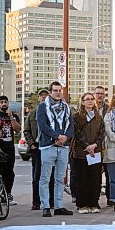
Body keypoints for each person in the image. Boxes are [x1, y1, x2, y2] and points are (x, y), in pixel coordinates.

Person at [36, 81, 74, 217]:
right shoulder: (42, 107)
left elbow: (71, 126)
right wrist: (56, 136)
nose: (58, 93)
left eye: (60, 90)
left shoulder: (67, 108)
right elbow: (42, 125)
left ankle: (59, 206)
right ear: (50, 92)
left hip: (63, 147)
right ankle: (46, 206)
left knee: (60, 178)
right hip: (48, 146)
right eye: (55, 90)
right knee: (45, 178)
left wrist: (65, 138)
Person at [72, 92, 105, 214]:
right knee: (82, 179)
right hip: (82, 152)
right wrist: (87, 146)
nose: (90, 101)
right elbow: (77, 133)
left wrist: (95, 145)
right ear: (82, 102)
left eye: (92, 99)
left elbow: (102, 133)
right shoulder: (76, 117)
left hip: (95, 152)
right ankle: (82, 204)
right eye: (87, 99)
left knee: (95, 179)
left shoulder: (99, 117)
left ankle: (93, 203)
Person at [24, 89, 54, 210]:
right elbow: (26, 130)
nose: (43, 98)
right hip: (37, 147)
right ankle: (36, 202)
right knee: (37, 177)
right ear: (38, 98)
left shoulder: (53, 113)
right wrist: (31, 144)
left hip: (49, 146)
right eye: (41, 96)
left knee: (50, 176)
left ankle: (51, 202)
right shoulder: (32, 113)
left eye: (46, 96)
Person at [0, 95, 21, 206]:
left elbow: (17, 129)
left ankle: (7, 194)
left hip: (9, 147)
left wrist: (11, 118)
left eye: (5, 102)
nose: (4, 104)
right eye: (1, 102)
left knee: (9, 172)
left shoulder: (12, 115)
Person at [94, 85, 110, 205]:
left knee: (109, 172)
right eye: (98, 93)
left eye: (102, 94)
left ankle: (110, 198)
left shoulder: (109, 109)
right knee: (95, 173)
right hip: (95, 146)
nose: (100, 95)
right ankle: (95, 199)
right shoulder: (89, 107)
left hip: (108, 145)